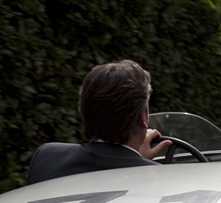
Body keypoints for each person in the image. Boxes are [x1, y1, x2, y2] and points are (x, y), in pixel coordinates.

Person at [26, 60, 171, 184]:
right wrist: (137, 162)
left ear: (84, 111)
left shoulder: (48, 158)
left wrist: (134, 160)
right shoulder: (161, 180)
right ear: (143, 117)